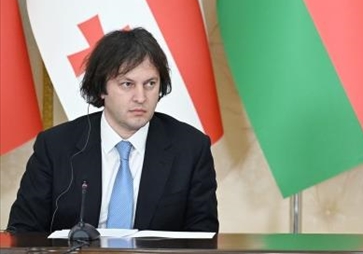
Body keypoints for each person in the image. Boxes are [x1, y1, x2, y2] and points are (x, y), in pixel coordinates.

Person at [7, 27, 218, 233]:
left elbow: (203, 236)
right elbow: (22, 231)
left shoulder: (190, 148)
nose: (141, 97)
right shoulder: (55, 146)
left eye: (150, 84)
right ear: (101, 88)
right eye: (127, 84)